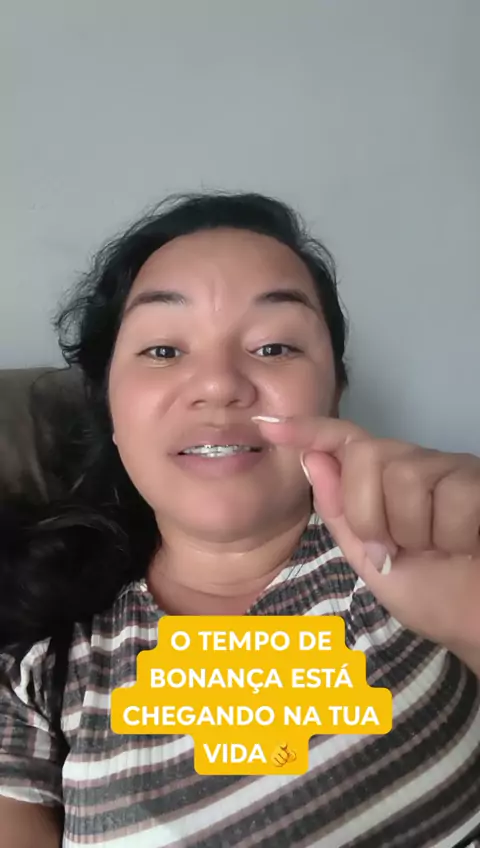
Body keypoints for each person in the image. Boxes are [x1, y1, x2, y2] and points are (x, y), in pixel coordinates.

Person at [0, 191, 479, 848]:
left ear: (334, 391)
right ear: (109, 409)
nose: (220, 384)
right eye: (163, 350)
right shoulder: (36, 666)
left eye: (275, 346)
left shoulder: (434, 548)